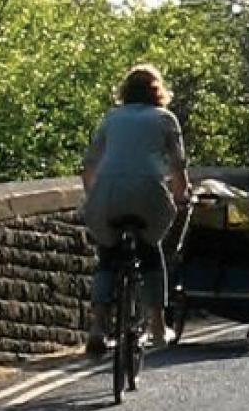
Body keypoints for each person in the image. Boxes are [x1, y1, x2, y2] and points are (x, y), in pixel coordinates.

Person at [81, 64, 190, 357]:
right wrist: (181, 196)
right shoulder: (166, 119)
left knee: (107, 255)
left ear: (125, 92)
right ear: (157, 92)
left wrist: (95, 196)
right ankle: (156, 326)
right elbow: (178, 167)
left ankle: (99, 326)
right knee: (151, 251)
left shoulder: (111, 117)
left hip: (109, 190)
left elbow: (89, 164)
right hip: (148, 191)